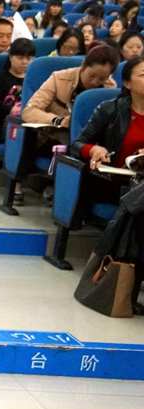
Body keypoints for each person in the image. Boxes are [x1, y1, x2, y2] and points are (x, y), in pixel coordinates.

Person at [71, 56, 144, 308]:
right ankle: (126, 283)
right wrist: (94, 149)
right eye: (143, 75)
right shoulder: (109, 109)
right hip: (114, 182)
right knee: (138, 208)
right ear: (127, 82)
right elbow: (77, 143)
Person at [22, 45, 118, 159]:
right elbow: (29, 111)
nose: (95, 82)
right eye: (92, 76)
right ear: (84, 66)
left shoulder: (109, 87)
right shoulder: (59, 78)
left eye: (102, 79)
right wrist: (58, 120)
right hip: (57, 136)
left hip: (90, 140)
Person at [0, 37, 34, 203]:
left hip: (29, 122)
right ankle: (16, 183)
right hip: (2, 124)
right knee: (21, 129)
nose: (25, 62)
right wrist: (10, 109)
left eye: (29, 58)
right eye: (20, 57)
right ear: (11, 57)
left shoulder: (34, 81)